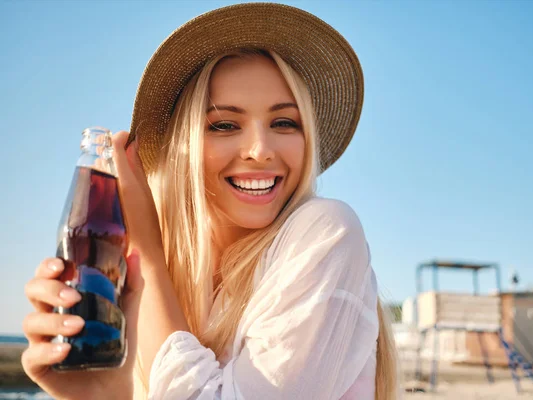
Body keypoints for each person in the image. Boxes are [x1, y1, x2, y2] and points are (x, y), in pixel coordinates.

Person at [21, 3, 398, 399]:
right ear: (179, 149)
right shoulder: (159, 290)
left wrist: (147, 254)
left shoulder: (326, 230)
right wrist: (101, 394)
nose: (260, 149)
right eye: (224, 125)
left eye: (284, 122)